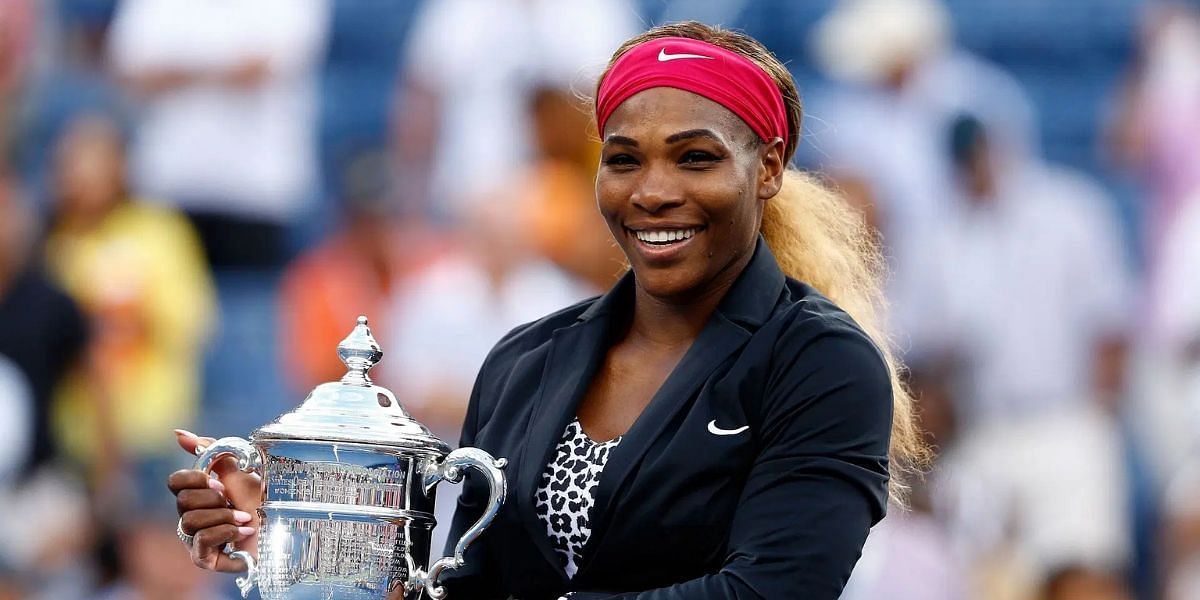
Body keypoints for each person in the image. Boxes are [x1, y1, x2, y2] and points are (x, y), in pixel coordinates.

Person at [168, 22, 926, 599]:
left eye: (695, 157)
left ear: (767, 170)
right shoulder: (526, 360)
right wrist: (311, 539)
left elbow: (765, 594)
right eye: (624, 159)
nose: (652, 190)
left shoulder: (823, 364)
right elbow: (458, 587)